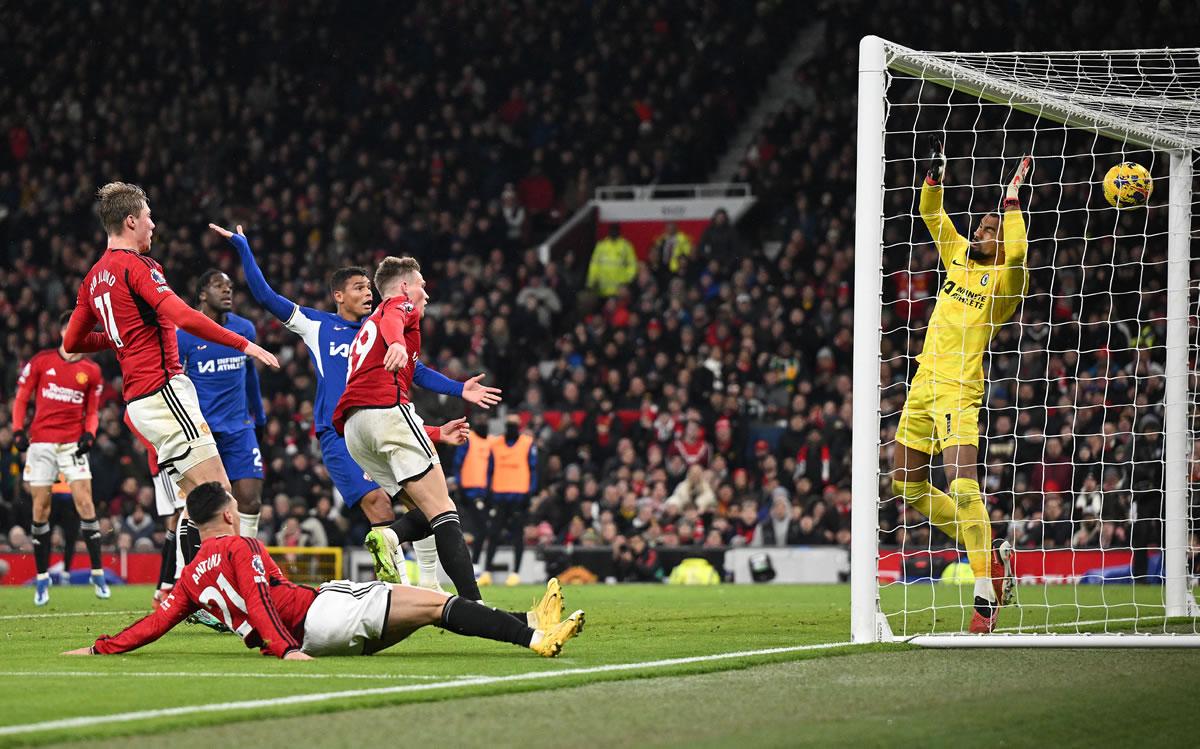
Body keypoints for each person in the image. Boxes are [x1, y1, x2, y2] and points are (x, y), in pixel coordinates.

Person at [214, 224, 500, 588]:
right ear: (338, 295)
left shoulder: (376, 325)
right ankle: (396, 588)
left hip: (375, 422)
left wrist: (458, 388)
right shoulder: (317, 325)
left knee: (420, 502)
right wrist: (243, 249)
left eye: (369, 287)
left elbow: (417, 369)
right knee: (380, 504)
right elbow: (266, 296)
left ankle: (428, 585)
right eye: (359, 288)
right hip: (337, 434)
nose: (368, 293)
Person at [63, 482, 583, 659]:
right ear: (226, 513)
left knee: (428, 611)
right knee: (435, 602)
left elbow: (154, 625)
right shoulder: (239, 547)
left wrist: (99, 646)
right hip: (318, 617)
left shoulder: (192, 575)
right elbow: (262, 602)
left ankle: (530, 621)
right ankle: (533, 639)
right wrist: (284, 649)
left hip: (320, 622)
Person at [62, 183, 280, 513]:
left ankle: (185, 567)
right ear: (131, 221)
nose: (154, 224)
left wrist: (118, 335)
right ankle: (243, 565)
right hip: (163, 391)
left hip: (137, 402)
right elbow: (183, 316)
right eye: (149, 217)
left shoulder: (92, 278)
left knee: (198, 504)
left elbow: (72, 341)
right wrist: (244, 344)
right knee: (221, 498)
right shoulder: (138, 266)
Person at [890, 139, 1031, 633]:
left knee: (964, 487)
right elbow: (932, 213)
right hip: (924, 383)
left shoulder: (1005, 285)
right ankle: (988, 550)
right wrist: (934, 177)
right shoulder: (958, 259)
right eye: (982, 224)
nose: (980, 231)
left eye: (989, 229)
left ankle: (985, 597)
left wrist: (1011, 205)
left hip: (959, 391)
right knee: (904, 483)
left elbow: (1016, 256)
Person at [333, 257, 484, 602]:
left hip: (356, 431)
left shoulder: (370, 330)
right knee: (445, 512)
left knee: (427, 511)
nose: (426, 294)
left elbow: (416, 372)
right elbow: (394, 317)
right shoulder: (396, 309)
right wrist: (398, 342)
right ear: (404, 287)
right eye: (422, 285)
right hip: (386, 415)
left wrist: (459, 391)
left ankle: (401, 548)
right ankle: (474, 605)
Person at [12, 311, 107, 605]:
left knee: (86, 503)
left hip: (71, 447)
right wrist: (17, 430)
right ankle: (42, 579)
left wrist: (90, 434)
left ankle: (97, 572)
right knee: (40, 508)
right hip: (41, 444)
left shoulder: (91, 371)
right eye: (72, 327)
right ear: (63, 330)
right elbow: (21, 397)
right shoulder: (41, 362)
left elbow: (91, 411)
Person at [174, 269, 267, 559]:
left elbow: (250, 375)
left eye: (229, 286)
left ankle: (246, 565)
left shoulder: (244, 329)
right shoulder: (185, 335)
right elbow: (174, 384)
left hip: (240, 428)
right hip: (202, 432)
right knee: (200, 507)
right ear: (202, 294)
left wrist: (260, 417)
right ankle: (187, 573)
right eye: (218, 286)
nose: (227, 291)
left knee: (250, 501)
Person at [477, 415, 537, 586]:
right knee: (493, 534)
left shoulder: (527, 443)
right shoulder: (495, 444)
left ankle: (515, 573)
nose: (511, 428)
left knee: (517, 535)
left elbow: (533, 470)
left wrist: (530, 494)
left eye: (514, 425)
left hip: (519, 497)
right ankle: (486, 571)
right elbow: (489, 470)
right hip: (499, 496)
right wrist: (488, 494)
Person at [585, 223, 637, 298]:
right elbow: (594, 265)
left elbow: (632, 265)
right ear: (609, 232)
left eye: (615, 230)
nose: (613, 232)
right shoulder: (601, 246)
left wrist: (627, 282)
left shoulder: (625, 246)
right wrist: (591, 283)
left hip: (619, 291)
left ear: (619, 232)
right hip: (601, 291)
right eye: (612, 230)